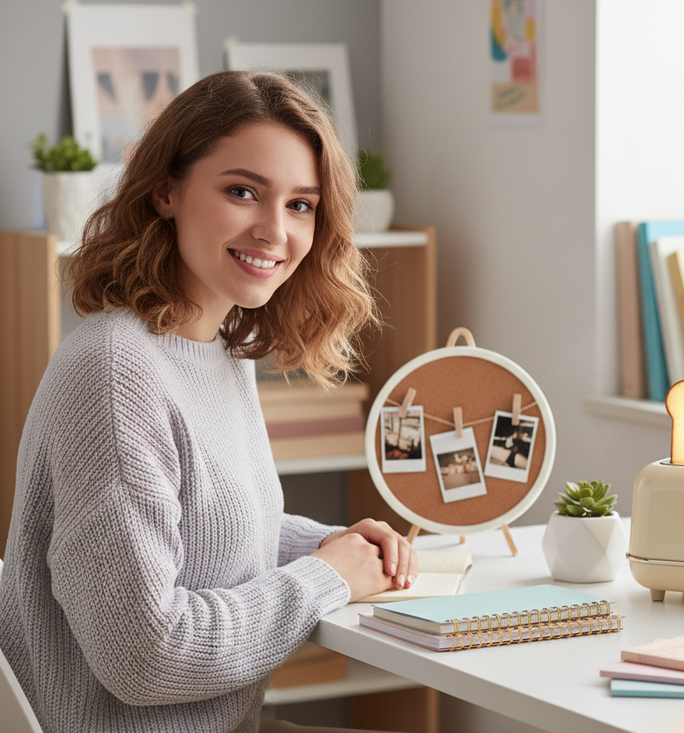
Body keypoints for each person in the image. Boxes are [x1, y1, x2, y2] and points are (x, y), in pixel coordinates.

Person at [0, 70, 417, 733]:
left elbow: (204, 525)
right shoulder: (115, 372)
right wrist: (326, 576)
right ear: (166, 190)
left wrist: (330, 544)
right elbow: (145, 658)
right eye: (242, 191)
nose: (274, 231)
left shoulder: (217, 347)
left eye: (300, 205)